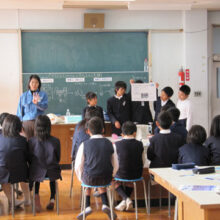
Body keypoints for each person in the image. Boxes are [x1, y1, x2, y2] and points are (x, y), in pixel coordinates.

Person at [75, 117, 118, 220]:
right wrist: (112, 175)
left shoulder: (84, 144)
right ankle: (105, 204)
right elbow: (116, 163)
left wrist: (81, 178)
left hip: (89, 178)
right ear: (103, 129)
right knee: (100, 173)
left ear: (88, 131)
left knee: (89, 175)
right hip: (106, 177)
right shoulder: (110, 143)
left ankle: (87, 206)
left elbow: (78, 165)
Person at [28, 115, 61, 212]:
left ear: (36, 127)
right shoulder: (56, 141)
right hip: (52, 171)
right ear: (49, 126)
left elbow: (29, 158)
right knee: (53, 179)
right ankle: (52, 199)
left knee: (35, 173)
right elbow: (58, 158)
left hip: (36, 171)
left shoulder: (31, 141)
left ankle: (36, 195)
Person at [114, 121, 145, 211]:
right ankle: (125, 201)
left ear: (122, 134)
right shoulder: (140, 144)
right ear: (135, 133)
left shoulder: (117, 145)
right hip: (137, 174)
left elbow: (115, 162)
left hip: (122, 173)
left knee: (113, 181)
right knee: (130, 181)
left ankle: (126, 199)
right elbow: (143, 160)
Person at [0, 114, 30, 207]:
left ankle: (12, 201)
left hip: (3, 173)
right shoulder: (22, 140)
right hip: (20, 173)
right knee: (24, 175)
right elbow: (27, 157)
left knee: (3, 179)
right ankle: (27, 199)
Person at [17, 74, 48, 139]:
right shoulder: (23, 96)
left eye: (36, 82)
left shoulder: (43, 94)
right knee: (27, 143)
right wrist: (19, 125)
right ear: (29, 83)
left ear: (39, 84)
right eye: (32, 82)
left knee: (38, 143)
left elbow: (45, 107)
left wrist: (37, 104)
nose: (34, 84)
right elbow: (19, 111)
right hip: (26, 123)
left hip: (39, 123)